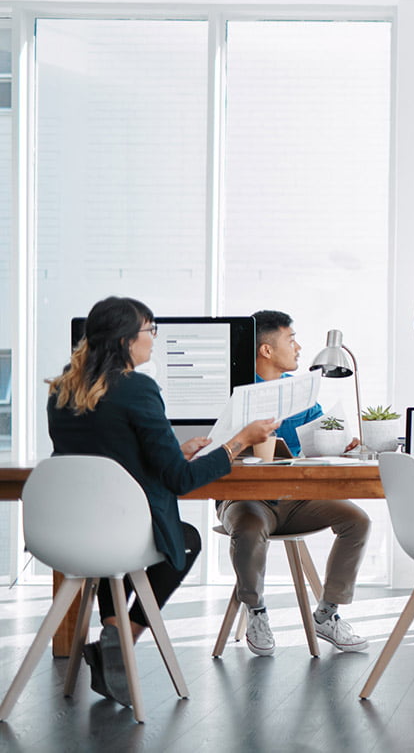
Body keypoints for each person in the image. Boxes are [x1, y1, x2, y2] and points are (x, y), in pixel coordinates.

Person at [47, 296, 277, 706]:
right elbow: (180, 481)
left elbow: (109, 457)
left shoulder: (63, 389)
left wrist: (172, 448)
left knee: (108, 553)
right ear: (125, 340)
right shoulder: (137, 387)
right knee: (186, 540)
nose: (153, 339)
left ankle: (113, 634)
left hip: (70, 532)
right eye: (149, 331)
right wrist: (240, 440)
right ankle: (124, 636)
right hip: (121, 532)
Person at [215, 310, 371, 656]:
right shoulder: (235, 392)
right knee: (250, 526)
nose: (299, 347)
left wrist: (345, 441)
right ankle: (256, 611)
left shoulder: (299, 395)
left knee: (357, 520)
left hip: (294, 499)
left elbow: (324, 432)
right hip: (245, 499)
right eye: (291, 338)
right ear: (267, 350)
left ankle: (327, 614)